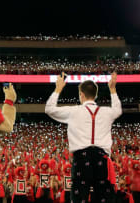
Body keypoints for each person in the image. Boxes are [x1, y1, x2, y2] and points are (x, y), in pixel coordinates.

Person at [45, 72, 122, 203]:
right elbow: (118, 109)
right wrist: (113, 89)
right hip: (101, 159)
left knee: (79, 197)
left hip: (81, 159)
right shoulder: (107, 112)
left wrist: (58, 89)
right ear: (95, 95)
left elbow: (49, 109)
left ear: (81, 94)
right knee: (103, 197)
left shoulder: (74, 111)